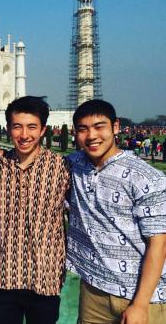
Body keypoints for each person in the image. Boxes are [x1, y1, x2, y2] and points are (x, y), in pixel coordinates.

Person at [67, 99, 166, 324]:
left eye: (99, 126)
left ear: (115, 127)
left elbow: (159, 244)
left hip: (142, 296)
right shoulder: (75, 165)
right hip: (94, 292)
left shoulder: (146, 177)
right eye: (83, 129)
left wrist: (140, 305)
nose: (91, 135)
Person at [0, 96, 70, 324]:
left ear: (43, 129)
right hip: (3, 276)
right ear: (8, 129)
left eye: (32, 127)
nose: (24, 135)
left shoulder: (61, 167)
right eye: (18, 127)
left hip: (45, 277)